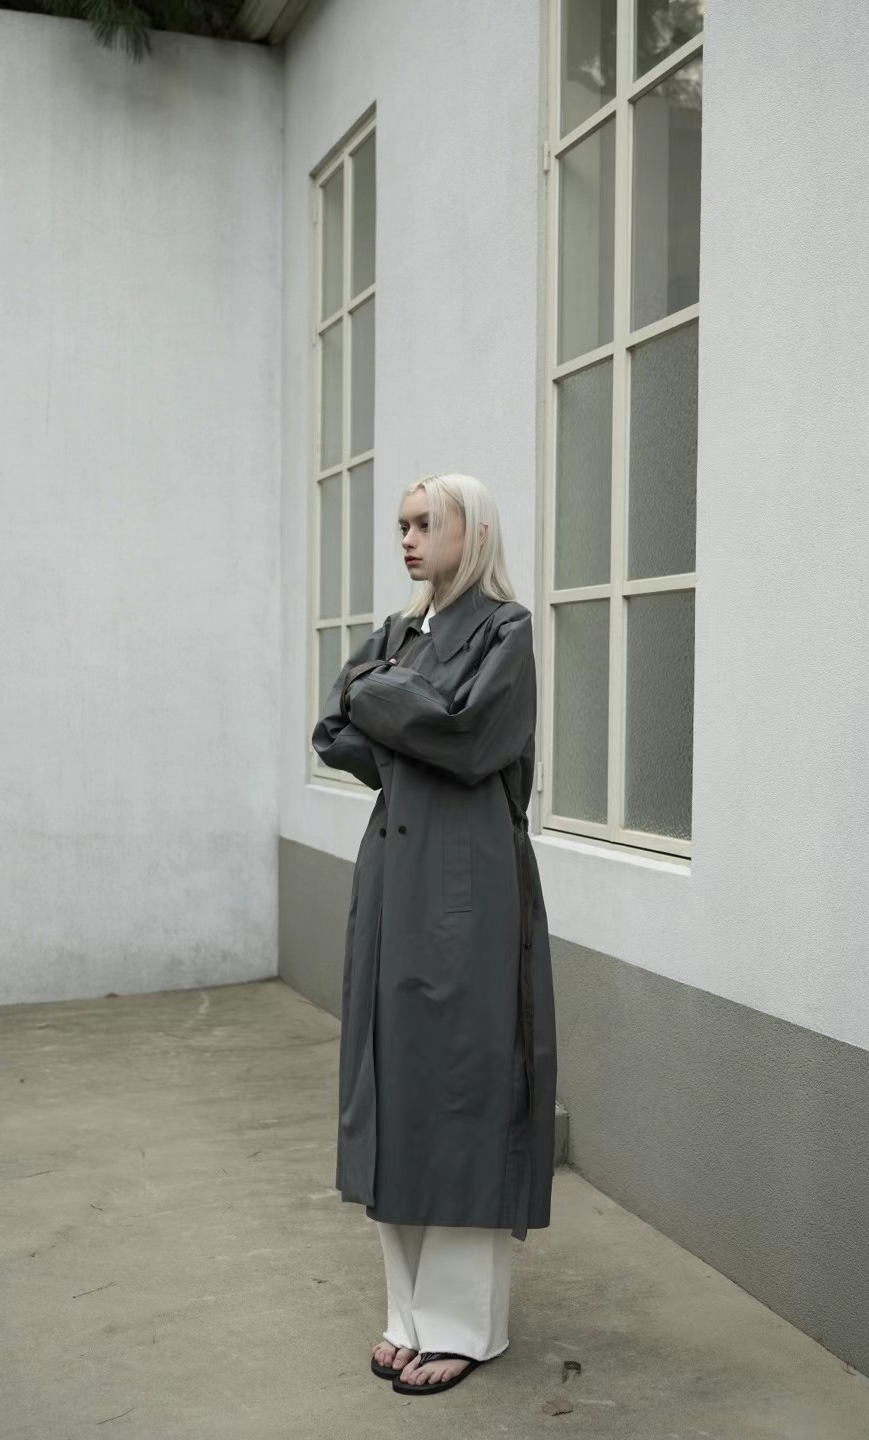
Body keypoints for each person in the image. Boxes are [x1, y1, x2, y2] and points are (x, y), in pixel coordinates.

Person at [311, 472, 557, 1396]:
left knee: (463, 1087)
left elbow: (469, 736)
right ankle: (407, 1314)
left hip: (469, 879)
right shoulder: (397, 632)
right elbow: (333, 731)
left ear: (473, 531)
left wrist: (380, 696)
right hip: (393, 873)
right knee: (394, 1081)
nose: (408, 539)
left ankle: (464, 1326)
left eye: (426, 523)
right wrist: (401, 707)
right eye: (402, 525)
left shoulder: (507, 631)